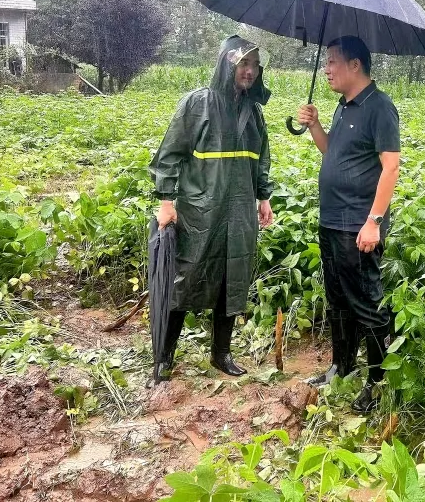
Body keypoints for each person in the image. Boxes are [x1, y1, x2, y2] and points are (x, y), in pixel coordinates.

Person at [147, 35, 275, 385]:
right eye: (244, 63)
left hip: (240, 211)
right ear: (227, 64)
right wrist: (166, 202)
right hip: (200, 211)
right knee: (184, 279)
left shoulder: (253, 112)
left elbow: (261, 158)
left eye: (254, 65)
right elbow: (169, 154)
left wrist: (263, 197)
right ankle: (164, 356)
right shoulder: (197, 104)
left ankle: (221, 353)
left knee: (233, 278)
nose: (250, 71)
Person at [296, 35, 401, 414]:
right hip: (332, 220)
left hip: (358, 225)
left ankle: (379, 382)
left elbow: (391, 167)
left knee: (368, 303)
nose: (326, 69)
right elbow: (333, 152)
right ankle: (341, 367)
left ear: (355, 65)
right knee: (338, 299)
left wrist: (373, 222)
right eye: (325, 62)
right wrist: (315, 126)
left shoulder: (380, 107)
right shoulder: (344, 106)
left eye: (333, 62)